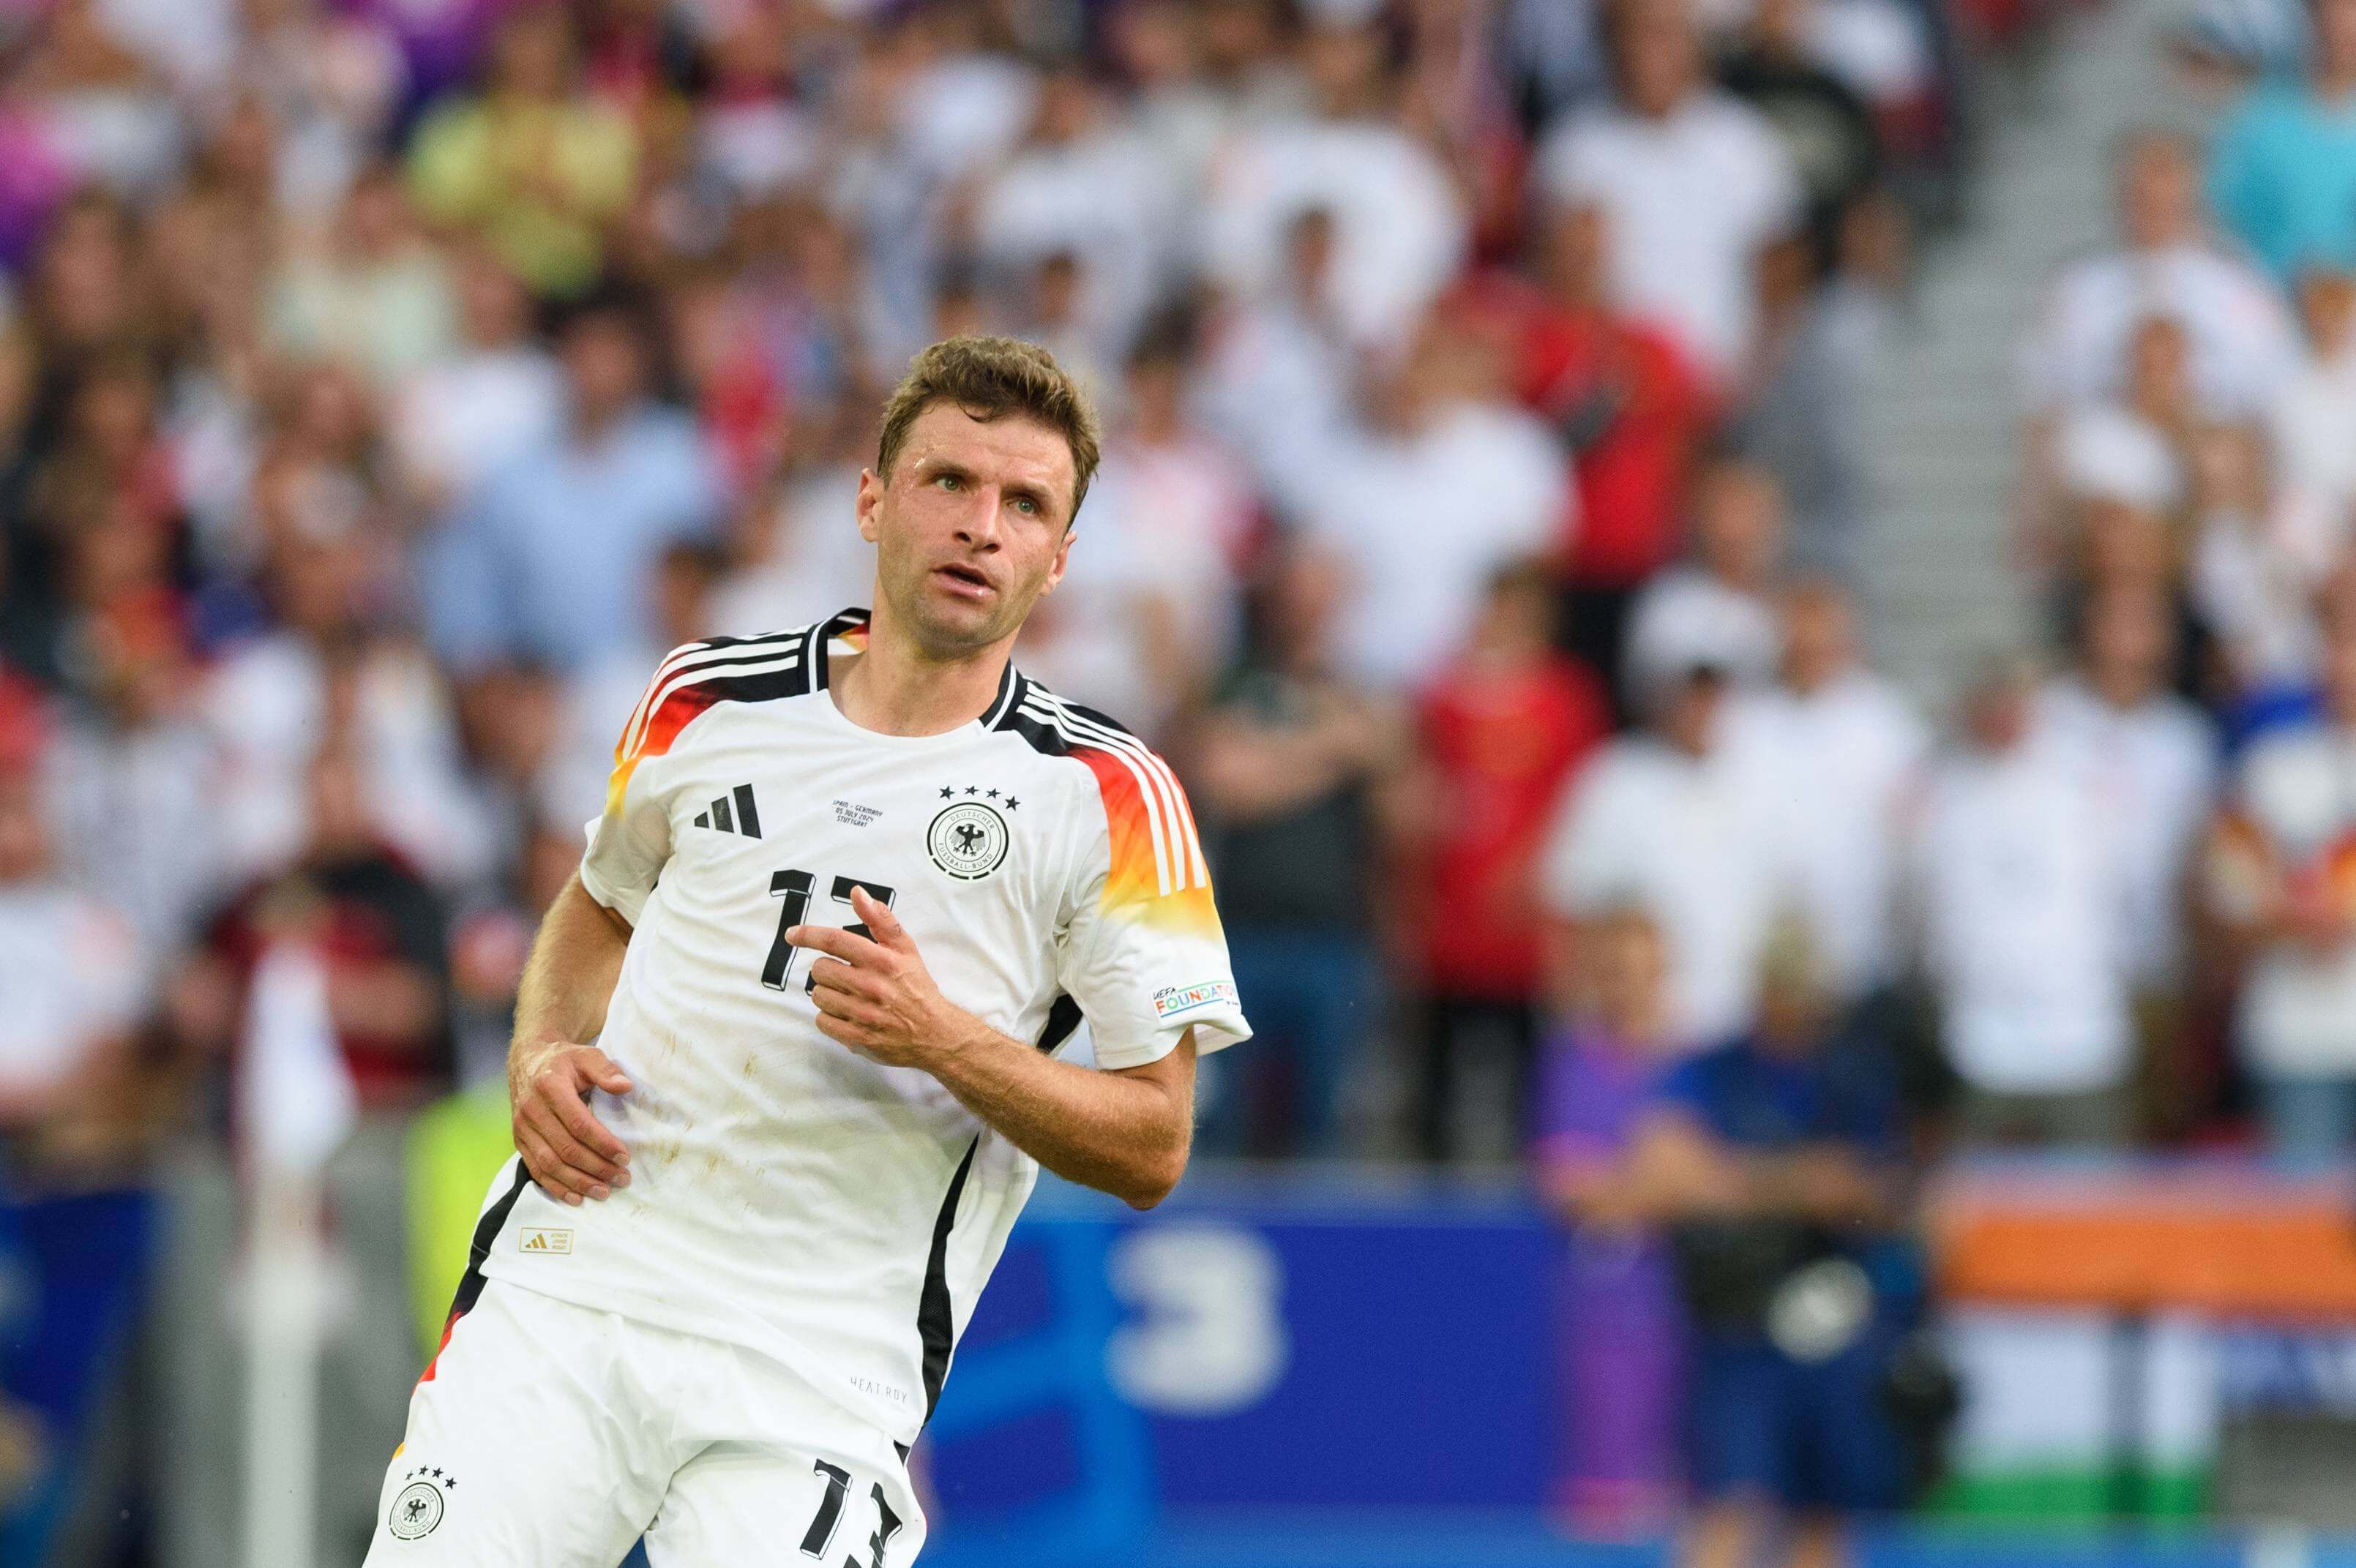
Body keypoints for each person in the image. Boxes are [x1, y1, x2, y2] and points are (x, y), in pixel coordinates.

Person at [365, 337, 1251, 1565]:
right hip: (571, 1291)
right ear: (872, 498)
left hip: (812, 1372)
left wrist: (941, 1035)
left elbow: (1153, 1141)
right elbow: (598, 902)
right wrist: (537, 1051)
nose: (980, 525)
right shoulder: (701, 698)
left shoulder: (1105, 796)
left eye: (1024, 503)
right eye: (948, 481)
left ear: (1057, 559)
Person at [1621, 917, 1913, 1568]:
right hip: (1736, 1318)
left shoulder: (1852, 1075)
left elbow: (1875, 1189)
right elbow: (1661, 1171)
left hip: (1827, 1318)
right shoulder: (1716, 1069)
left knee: (1822, 1514)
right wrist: (1794, 1181)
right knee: (1728, 1507)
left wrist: (1739, 1178)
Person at [1409, 560, 1612, 1160]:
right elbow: (1419, 794)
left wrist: (1533, 867)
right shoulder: (1443, 695)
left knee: (1530, 1083)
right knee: (1438, 1081)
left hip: (1528, 930)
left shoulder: (1566, 699)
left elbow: (1580, 803)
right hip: (1449, 923)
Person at [1907, 655, 2134, 1147]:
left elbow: (2116, 894)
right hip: (1978, 1041)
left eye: (2012, 699)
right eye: (1989, 701)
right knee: (1979, 1208)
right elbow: (1922, 911)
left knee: (2087, 1207)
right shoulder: (1940, 791)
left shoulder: (2081, 783)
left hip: (2079, 1036)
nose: (2002, 714)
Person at [1529, 902, 1684, 1534]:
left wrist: (1646, 1183)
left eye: (1638, 969)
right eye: (1612, 969)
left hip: (1686, 1293)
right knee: (1600, 1490)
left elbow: (1711, 1181)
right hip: (1602, 1293)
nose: (1625, 984)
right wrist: (1663, 1183)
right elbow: (1569, 1182)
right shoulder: (1570, 1060)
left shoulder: (1693, 1062)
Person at [2205, 601, 2356, 1160]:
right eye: (2340, 645)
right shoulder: (2267, 765)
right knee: (2303, 1231)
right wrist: (2293, 920)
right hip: (2295, 1039)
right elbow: (2227, 897)